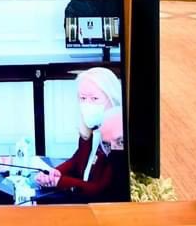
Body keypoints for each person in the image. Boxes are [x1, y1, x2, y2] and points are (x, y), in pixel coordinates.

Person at [35, 67, 128, 202]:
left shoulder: (117, 139)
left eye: (94, 98)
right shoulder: (89, 130)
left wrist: (59, 181)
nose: (87, 104)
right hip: (80, 200)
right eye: (82, 98)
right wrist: (55, 173)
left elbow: (100, 190)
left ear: (112, 99)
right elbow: (77, 160)